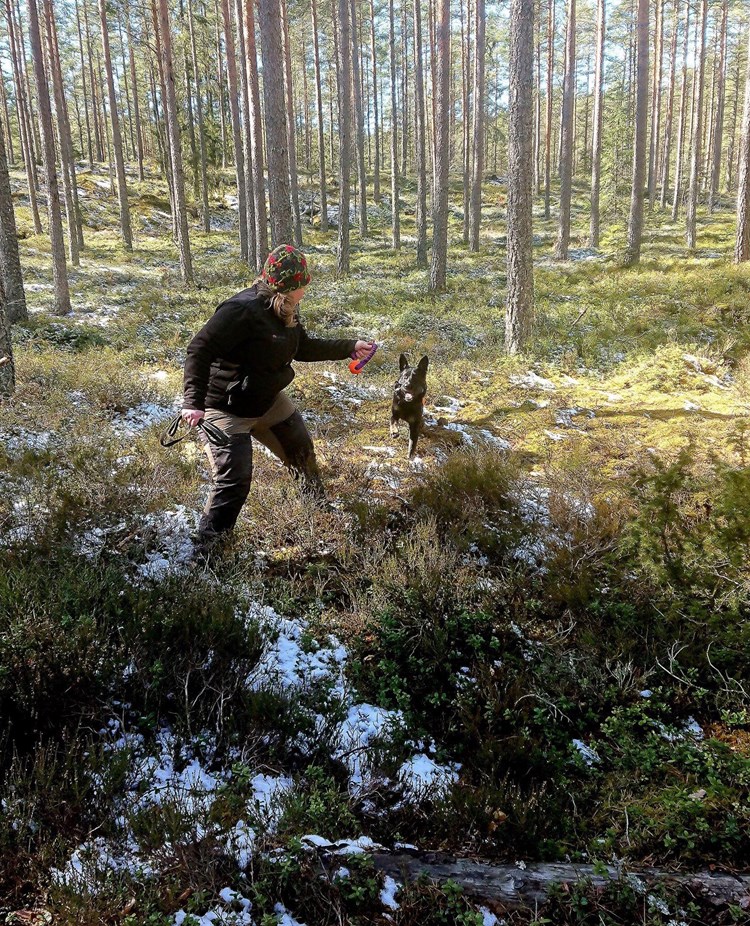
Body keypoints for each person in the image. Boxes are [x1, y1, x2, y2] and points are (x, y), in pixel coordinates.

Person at [182, 244, 374, 551]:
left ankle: (318, 511)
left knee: (301, 451)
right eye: (303, 283)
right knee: (234, 481)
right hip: (225, 407)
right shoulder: (241, 311)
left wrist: (349, 347)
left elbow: (304, 347)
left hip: (266, 398)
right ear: (289, 286)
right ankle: (210, 551)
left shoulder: (286, 309)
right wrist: (192, 403)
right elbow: (198, 349)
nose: (306, 288)